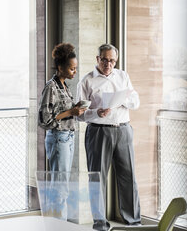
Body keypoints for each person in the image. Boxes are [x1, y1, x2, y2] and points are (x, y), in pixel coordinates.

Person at [77, 43, 141, 231]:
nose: (108, 63)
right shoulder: (86, 81)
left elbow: (135, 101)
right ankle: (100, 225)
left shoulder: (123, 76)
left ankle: (134, 222)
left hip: (123, 130)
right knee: (97, 179)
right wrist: (97, 112)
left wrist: (123, 99)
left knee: (129, 178)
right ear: (97, 59)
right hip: (98, 132)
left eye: (112, 60)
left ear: (116, 60)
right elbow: (79, 113)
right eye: (104, 59)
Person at [38, 43, 87, 219]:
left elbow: (61, 113)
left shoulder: (64, 86)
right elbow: (45, 119)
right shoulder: (51, 87)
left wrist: (74, 110)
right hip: (59, 139)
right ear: (60, 67)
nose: (75, 72)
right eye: (72, 68)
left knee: (61, 185)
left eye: (76, 68)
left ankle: (56, 224)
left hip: (67, 138)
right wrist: (70, 112)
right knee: (60, 188)